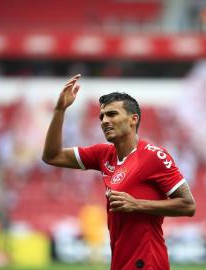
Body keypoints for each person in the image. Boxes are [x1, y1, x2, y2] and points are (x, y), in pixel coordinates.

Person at [42, 74, 196, 270]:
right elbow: (52, 156)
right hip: (120, 262)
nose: (104, 121)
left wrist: (137, 204)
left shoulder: (153, 156)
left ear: (133, 119)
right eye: (102, 116)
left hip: (147, 262)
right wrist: (60, 109)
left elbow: (188, 205)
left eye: (112, 114)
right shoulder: (103, 154)